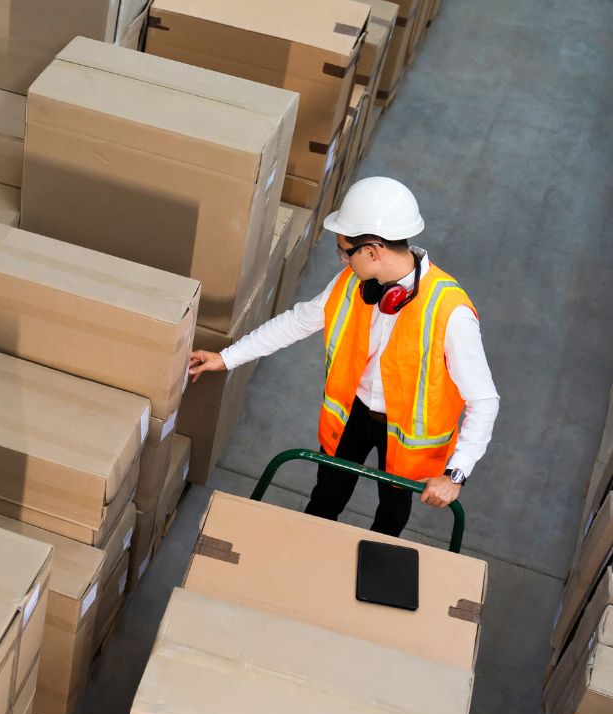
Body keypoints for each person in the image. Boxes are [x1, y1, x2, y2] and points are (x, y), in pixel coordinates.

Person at [188, 177, 499, 536]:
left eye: (345, 251)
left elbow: (484, 401)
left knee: (391, 515)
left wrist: (455, 475)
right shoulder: (353, 285)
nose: (342, 259)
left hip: (406, 438)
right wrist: (226, 358)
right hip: (353, 413)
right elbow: (296, 322)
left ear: (373, 251)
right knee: (325, 498)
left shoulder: (449, 312)